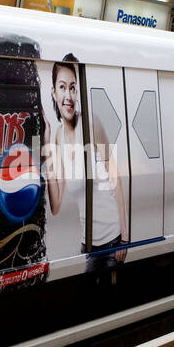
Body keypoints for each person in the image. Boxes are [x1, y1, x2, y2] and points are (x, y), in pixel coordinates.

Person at [43, 54, 128, 272]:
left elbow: (114, 176)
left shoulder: (91, 124)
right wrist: (47, 142)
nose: (68, 95)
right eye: (62, 87)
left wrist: (125, 237)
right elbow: (55, 204)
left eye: (73, 88)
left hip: (112, 240)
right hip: (88, 244)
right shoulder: (57, 138)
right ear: (54, 92)